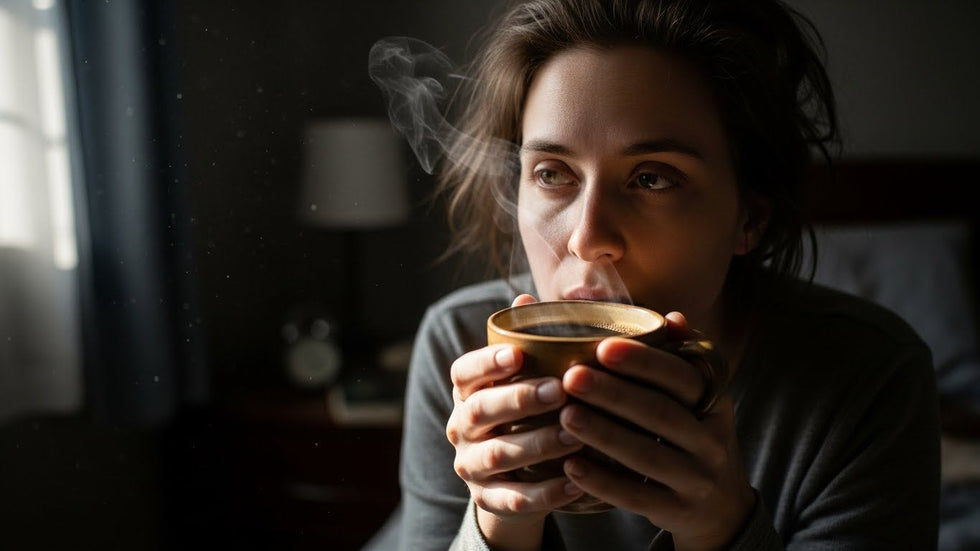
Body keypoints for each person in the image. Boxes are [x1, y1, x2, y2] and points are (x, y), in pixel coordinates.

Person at [367, 0, 941, 549]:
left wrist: (723, 529)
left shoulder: (870, 379)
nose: (587, 237)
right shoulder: (460, 345)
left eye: (652, 178)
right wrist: (499, 521)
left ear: (749, 218)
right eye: (552, 173)